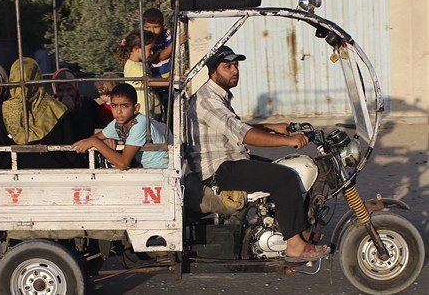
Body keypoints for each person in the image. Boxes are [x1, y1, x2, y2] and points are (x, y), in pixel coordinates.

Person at [186, 45, 330, 262]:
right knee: (284, 178)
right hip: (218, 168)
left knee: (285, 169)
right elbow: (243, 134)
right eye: (227, 66)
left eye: (235, 65)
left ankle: (294, 230)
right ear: (212, 72)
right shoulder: (207, 100)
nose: (234, 70)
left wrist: (274, 127)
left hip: (230, 160)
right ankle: (295, 245)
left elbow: (235, 126)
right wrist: (287, 141)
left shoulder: (218, 95)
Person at [72, 83, 169, 170]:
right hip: (146, 169)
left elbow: (123, 163)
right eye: (114, 106)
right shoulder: (117, 123)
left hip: (162, 171)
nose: (118, 111)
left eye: (124, 106)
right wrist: (104, 140)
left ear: (136, 108)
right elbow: (95, 137)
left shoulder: (139, 123)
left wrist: (95, 142)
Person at [2, 58, 77, 169]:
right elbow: (71, 154)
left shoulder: (5, 110)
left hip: (18, 174)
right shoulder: (57, 109)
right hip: (57, 174)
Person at [118, 29, 168, 116]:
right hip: (141, 113)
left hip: (147, 113)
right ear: (137, 49)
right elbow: (148, 81)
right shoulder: (133, 67)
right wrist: (169, 81)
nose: (152, 52)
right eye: (150, 49)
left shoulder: (141, 65)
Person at [52, 68, 103, 140]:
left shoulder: (87, 104)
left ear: (76, 88)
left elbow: (103, 123)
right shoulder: (50, 107)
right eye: (61, 90)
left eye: (69, 89)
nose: (66, 94)